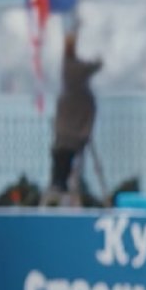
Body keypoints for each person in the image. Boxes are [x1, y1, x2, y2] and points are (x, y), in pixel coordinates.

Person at [46, 23, 102, 203]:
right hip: (68, 129)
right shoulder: (70, 68)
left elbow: (95, 65)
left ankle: (60, 184)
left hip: (74, 130)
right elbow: (94, 65)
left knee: (64, 154)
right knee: (61, 155)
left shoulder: (75, 77)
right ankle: (59, 184)